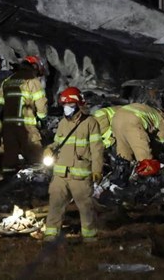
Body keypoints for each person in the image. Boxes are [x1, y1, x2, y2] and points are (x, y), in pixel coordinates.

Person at [42, 87, 103, 243]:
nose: (66, 107)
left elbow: (97, 149)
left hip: (80, 175)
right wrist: (49, 149)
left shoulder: (90, 123)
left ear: (77, 105)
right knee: (55, 204)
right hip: (61, 174)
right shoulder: (63, 123)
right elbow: (58, 142)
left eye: (69, 104)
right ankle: (51, 234)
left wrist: (97, 170)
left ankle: (90, 237)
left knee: (85, 207)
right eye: (64, 104)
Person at [0, 55, 48, 169]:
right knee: (36, 159)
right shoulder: (32, 80)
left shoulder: (8, 81)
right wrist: (42, 120)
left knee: (9, 161)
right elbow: (41, 104)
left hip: (8, 127)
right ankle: (34, 184)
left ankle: (7, 183)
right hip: (26, 127)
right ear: (35, 67)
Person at [110, 102, 164, 173]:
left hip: (116, 119)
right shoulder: (163, 118)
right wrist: (155, 154)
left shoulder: (147, 109)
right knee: (144, 157)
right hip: (132, 121)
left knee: (124, 152)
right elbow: (160, 141)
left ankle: (122, 174)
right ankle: (146, 179)